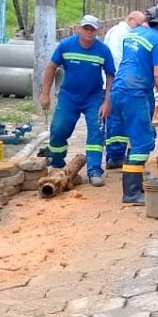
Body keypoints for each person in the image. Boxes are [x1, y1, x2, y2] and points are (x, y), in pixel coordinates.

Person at [108, 3, 158, 203]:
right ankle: (132, 192)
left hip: (120, 90)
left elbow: (139, 64)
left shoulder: (135, 34)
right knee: (142, 143)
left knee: (140, 136)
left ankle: (137, 176)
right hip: (135, 93)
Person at [39, 14, 115, 187]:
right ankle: (57, 163)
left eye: (92, 29)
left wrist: (107, 101)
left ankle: (94, 170)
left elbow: (111, 75)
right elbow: (51, 68)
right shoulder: (66, 46)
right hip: (69, 97)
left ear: (97, 31)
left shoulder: (103, 50)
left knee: (96, 130)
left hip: (94, 97)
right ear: (79, 28)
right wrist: (45, 94)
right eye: (86, 28)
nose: (89, 32)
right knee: (58, 128)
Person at [103, 10, 147, 169]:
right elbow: (116, 59)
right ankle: (115, 156)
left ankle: (116, 155)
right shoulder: (120, 33)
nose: (141, 27)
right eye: (139, 24)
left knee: (118, 120)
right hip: (118, 83)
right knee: (116, 121)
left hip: (119, 83)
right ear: (130, 19)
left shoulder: (125, 33)